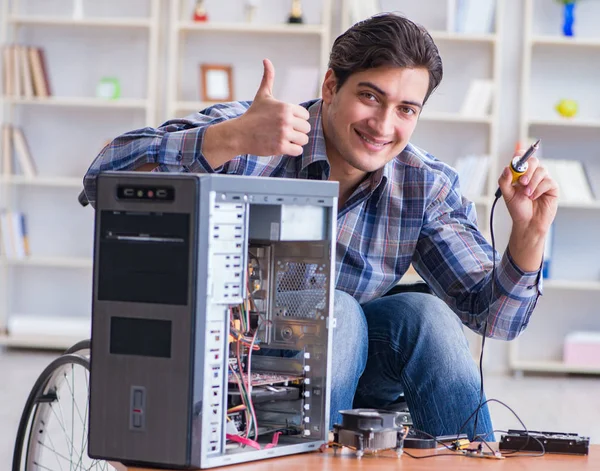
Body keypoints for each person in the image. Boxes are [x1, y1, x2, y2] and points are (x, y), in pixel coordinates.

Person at [83, 13, 558, 440]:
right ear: (331, 86)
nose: (383, 124)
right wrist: (224, 139)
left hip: (356, 375)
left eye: (406, 109)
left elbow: (496, 319)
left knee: (424, 315)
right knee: (339, 310)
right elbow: (101, 179)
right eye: (370, 97)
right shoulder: (252, 133)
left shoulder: (424, 185)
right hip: (234, 367)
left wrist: (529, 233)